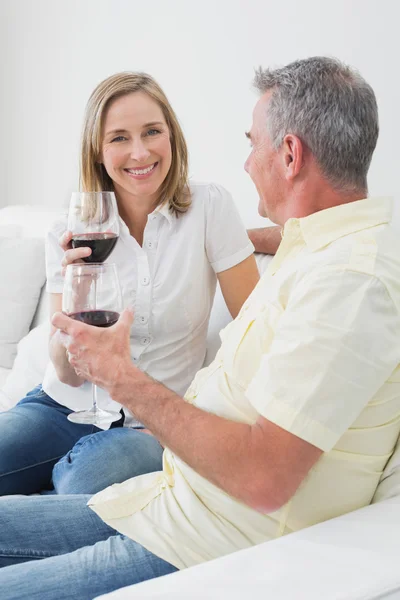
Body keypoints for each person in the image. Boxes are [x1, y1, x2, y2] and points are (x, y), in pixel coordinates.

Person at [2, 56, 400, 600]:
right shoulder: (318, 251)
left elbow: (265, 477)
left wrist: (125, 380)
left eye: (251, 142)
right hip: (166, 500)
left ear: (288, 154)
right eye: (119, 138)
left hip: (196, 537)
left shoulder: (350, 284)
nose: (244, 163)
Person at [0, 71, 261, 496]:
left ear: (172, 138)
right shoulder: (71, 229)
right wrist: (77, 292)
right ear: (98, 152)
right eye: (119, 138)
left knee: (81, 481)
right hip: (64, 408)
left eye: (152, 132)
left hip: (152, 423)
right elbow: (65, 373)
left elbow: (256, 331)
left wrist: (196, 420)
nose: (139, 152)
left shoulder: (210, 208)